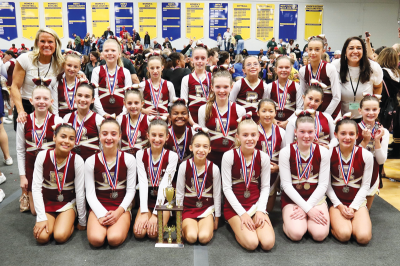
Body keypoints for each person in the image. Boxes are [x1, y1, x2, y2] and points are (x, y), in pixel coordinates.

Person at [222, 117, 275, 251]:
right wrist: (242, 214)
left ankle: (250, 226)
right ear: (237, 137)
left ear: (258, 136)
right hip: (235, 208)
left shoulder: (263, 157)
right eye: (245, 135)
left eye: (253, 135)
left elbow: (265, 187)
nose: (249, 139)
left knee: (268, 244)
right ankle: (235, 225)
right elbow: (227, 189)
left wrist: (261, 210)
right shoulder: (229, 156)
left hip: (255, 205)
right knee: (252, 244)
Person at [279, 112, 330, 242]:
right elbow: (286, 185)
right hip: (293, 199)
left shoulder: (323, 152)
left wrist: (307, 207)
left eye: (310, 132)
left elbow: (323, 185)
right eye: (302, 131)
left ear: (315, 132)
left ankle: (306, 221)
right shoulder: (286, 152)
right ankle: (291, 223)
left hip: (316, 198)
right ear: (295, 132)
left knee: (320, 235)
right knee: (296, 234)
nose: (306, 136)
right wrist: (307, 209)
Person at [85, 119, 136, 247]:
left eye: (113, 134)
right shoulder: (90, 161)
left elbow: (131, 191)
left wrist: (119, 212)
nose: (109, 138)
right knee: (96, 240)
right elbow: (90, 194)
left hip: (121, 206)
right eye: (105, 133)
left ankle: (123, 220)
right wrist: (101, 214)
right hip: (99, 204)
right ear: (99, 136)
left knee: (114, 239)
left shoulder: (129, 159)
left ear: (119, 136)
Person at [32, 124, 87, 244]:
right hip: (48, 201)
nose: (66, 141)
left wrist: (82, 221)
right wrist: (41, 218)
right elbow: (36, 188)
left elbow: (80, 192)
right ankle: (55, 221)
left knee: (60, 236)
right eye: (63, 136)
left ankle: (68, 222)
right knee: (42, 238)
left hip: (67, 203)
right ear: (54, 137)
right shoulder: (43, 156)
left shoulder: (77, 160)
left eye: (71, 138)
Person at [17, 85, 64, 213]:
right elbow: (20, 150)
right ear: (31, 101)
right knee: (34, 211)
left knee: (50, 206)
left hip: (50, 165)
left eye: (45, 98)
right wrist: (22, 176)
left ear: (51, 101)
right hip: (31, 166)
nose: (41, 101)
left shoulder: (58, 120)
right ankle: (26, 194)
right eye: (37, 98)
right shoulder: (23, 121)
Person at [327, 117, 373, 244]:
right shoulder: (329, 154)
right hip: (336, 202)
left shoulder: (367, 155)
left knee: (363, 238)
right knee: (344, 235)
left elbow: (365, 186)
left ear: (357, 135)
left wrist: (353, 207)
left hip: (357, 202)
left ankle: (353, 221)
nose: (347, 137)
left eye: (352, 134)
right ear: (335, 135)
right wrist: (340, 206)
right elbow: (327, 185)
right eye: (343, 133)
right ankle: (334, 225)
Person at [134, 118, 178, 239]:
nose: (157, 139)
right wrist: (143, 211)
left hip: (163, 201)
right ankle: (146, 214)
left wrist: (155, 213)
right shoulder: (140, 154)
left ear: (167, 137)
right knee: (139, 234)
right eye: (153, 135)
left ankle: (166, 216)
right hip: (147, 199)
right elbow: (142, 182)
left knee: (153, 234)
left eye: (161, 135)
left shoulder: (172, 156)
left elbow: (164, 184)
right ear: (147, 135)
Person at [11, 28, 64, 129]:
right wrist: (20, 111)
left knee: (46, 141)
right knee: (24, 142)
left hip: (46, 107)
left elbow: (73, 68)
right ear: (37, 43)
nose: (46, 45)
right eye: (42, 41)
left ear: (56, 44)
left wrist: (80, 74)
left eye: (50, 42)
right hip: (25, 105)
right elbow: (15, 86)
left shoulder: (59, 63)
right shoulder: (25, 59)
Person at [176, 130, 221, 244]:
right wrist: (179, 216)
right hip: (188, 208)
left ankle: (205, 225)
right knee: (191, 237)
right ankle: (190, 226)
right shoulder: (183, 166)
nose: (201, 150)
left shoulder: (214, 168)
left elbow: (217, 195)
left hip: (206, 209)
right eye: (197, 146)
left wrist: (217, 218)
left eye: (205, 146)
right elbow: (180, 193)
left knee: (203, 237)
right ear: (191, 148)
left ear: (209, 149)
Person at [198, 70, 246, 168]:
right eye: (218, 87)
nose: (222, 91)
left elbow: (242, 138)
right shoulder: (204, 109)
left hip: (233, 158)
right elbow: (201, 137)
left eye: (225, 87)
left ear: (231, 87)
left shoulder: (240, 110)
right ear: (212, 87)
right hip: (210, 157)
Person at [332, 36, 383, 121]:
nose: (355, 51)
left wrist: (372, 107)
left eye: (359, 48)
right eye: (351, 48)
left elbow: (378, 87)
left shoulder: (374, 67)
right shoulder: (335, 66)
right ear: (345, 51)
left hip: (366, 118)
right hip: (341, 117)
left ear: (363, 51)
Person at [356, 95, 388, 209]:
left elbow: (381, 161)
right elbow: (353, 157)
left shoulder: (384, 131)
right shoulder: (353, 129)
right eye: (367, 109)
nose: (371, 113)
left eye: (374, 109)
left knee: (364, 210)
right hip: (354, 170)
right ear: (360, 110)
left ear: (379, 110)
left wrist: (377, 141)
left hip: (373, 171)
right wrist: (365, 141)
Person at [299, 35, 341, 119]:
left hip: (330, 111)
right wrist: (301, 112)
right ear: (307, 50)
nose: (313, 52)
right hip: (311, 111)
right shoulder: (303, 71)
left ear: (323, 51)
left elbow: (337, 96)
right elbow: (302, 95)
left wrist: (324, 116)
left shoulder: (330, 68)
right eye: (310, 49)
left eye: (317, 49)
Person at [256, 99, 286, 212]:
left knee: (268, 210)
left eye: (270, 111)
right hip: (255, 172)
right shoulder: (253, 130)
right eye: (264, 111)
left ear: (275, 113)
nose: (267, 114)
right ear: (258, 113)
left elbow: (285, 155)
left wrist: (279, 168)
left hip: (274, 172)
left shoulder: (282, 132)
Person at [91, 38, 132, 117]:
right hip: (101, 114)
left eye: (113, 50)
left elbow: (128, 96)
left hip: (122, 114)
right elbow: (94, 95)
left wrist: (122, 115)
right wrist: (103, 114)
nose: (109, 53)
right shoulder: (96, 71)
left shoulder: (126, 72)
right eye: (106, 51)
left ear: (119, 54)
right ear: (102, 54)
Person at [63, 84, 104, 160]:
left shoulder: (98, 119)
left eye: (87, 96)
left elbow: (102, 144)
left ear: (92, 100)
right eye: (79, 95)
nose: (82, 99)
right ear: (75, 97)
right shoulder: (67, 118)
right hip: (71, 161)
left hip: (92, 162)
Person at [264, 56, 302, 129]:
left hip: (291, 124)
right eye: (281, 67)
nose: (284, 70)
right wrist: (273, 120)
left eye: (287, 67)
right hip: (272, 123)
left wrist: (288, 122)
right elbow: (265, 106)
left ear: (291, 69)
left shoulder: (297, 87)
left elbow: (299, 108)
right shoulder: (269, 87)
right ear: (275, 69)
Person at [230, 56, 267, 122]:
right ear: (243, 70)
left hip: (258, 121)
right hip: (241, 120)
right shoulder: (238, 84)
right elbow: (231, 103)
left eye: (255, 64)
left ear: (260, 68)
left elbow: (265, 105)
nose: (252, 67)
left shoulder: (265, 86)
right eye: (248, 65)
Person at [181, 47, 212, 125]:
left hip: (209, 114)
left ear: (207, 60)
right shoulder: (186, 79)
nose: (200, 61)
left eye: (203, 58)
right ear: (192, 60)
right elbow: (183, 104)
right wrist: (192, 123)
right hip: (192, 116)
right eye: (196, 58)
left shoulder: (213, 77)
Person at [117, 88, 149, 156]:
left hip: (144, 157)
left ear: (142, 103)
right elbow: (118, 141)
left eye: (136, 103)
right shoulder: (120, 120)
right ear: (124, 104)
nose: (133, 106)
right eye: (129, 103)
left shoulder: (148, 120)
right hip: (125, 157)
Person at [52, 53, 84, 118]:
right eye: (69, 65)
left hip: (79, 118)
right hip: (61, 118)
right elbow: (54, 107)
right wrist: (58, 121)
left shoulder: (82, 83)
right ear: (63, 65)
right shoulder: (57, 84)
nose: (72, 69)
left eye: (75, 67)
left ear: (79, 68)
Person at [165, 99, 195, 164]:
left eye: (184, 113)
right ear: (169, 117)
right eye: (175, 114)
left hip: (188, 168)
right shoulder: (164, 133)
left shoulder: (194, 133)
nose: (180, 116)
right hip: (169, 167)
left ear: (188, 116)